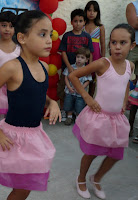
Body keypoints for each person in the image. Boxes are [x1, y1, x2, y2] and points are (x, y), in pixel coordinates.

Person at [0, 10, 61, 200]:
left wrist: (53, 102)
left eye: (50, 34)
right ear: (22, 38)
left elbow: (38, 92)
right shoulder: (12, 67)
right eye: (42, 34)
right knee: (21, 188)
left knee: (27, 185)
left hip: (35, 135)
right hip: (15, 139)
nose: (49, 40)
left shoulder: (42, 66)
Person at [69, 24, 135, 199]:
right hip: (99, 118)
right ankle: (81, 178)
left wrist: (124, 100)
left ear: (132, 46)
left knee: (115, 154)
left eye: (123, 42)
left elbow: (126, 83)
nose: (117, 46)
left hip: (117, 118)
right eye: (114, 42)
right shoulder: (102, 63)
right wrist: (87, 97)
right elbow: (73, 76)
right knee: (91, 152)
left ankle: (96, 178)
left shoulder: (130, 66)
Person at [58, 8, 94, 121]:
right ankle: (64, 111)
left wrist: (89, 68)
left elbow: (90, 53)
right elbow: (63, 52)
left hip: (82, 71)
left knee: (79, 92)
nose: (78, 24)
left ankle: (77, 113)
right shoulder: (67, 36)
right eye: (75, 21)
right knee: (64, 90)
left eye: (80, 21)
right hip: (67, 69)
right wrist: (69, 67)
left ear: (84, 22)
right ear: (71, 22)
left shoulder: (87, 36)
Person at [63, 47, 92, 126]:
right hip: (70, 91)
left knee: (79, 106)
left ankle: (78, 118)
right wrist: (69, 87)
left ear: (86, 60)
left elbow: (88, 80)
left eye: (82, 58)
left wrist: (81, 88)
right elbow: (66, 77)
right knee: (68, 104)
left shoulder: (86, 69)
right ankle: (69, 117)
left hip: (80, 93)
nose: (79, 59)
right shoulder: (71, 67)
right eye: (78, 57)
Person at [83, 0, 106, 97]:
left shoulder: (100, 27)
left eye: (94, 11)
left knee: (93, 79)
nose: (92, 13)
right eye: (89, 10)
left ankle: (90, 101)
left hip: (96, 55)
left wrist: (103, 59)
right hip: (83, 54)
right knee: (82, 76)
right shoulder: (82, 25)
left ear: (98, 13)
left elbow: (103, 44)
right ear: (86, 11)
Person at [126, 0, 138, 142]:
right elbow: (134, 24)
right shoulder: (132, 5)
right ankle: (126, 126)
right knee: (127, 82)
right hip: (134, 48)